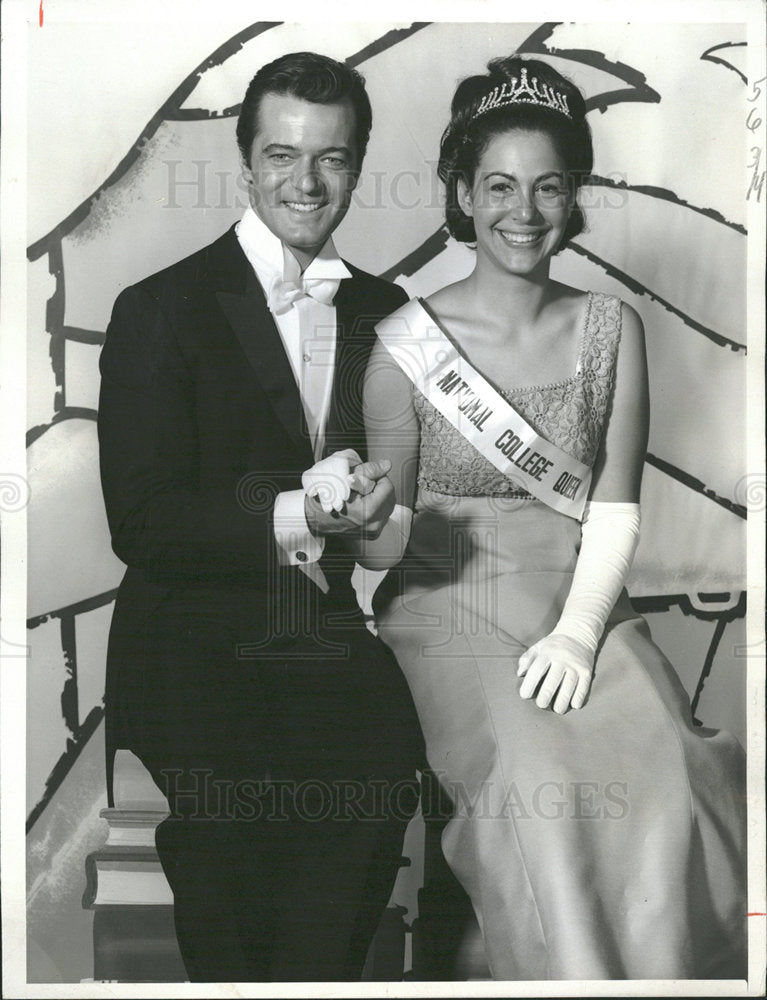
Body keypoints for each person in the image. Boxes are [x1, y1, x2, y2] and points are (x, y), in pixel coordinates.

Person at [359, 56, 747, 980]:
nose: (523, 212)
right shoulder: (400, 349)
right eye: (498, 186)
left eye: (548, 186)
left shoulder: (613, 328)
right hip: (446, 597)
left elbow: (613, 512)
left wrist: (578, 635)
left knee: (669, 774)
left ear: (572, 197)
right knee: (539, 784)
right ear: (461, 192)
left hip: (578, 589)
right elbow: (385, 541)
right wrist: (362, 515)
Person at [97, 51, 422, 982]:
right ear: (245, 160)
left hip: (317, 634)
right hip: (191, 643)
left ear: (358, 165)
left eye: (332, 159)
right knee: (238, 848)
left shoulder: (387, 310)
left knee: (378, 768)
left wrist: (376, 516)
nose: (306, 183)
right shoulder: (157, 308)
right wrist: (303, 514)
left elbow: (397, 521)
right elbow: (145, 522)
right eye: (282, 156)